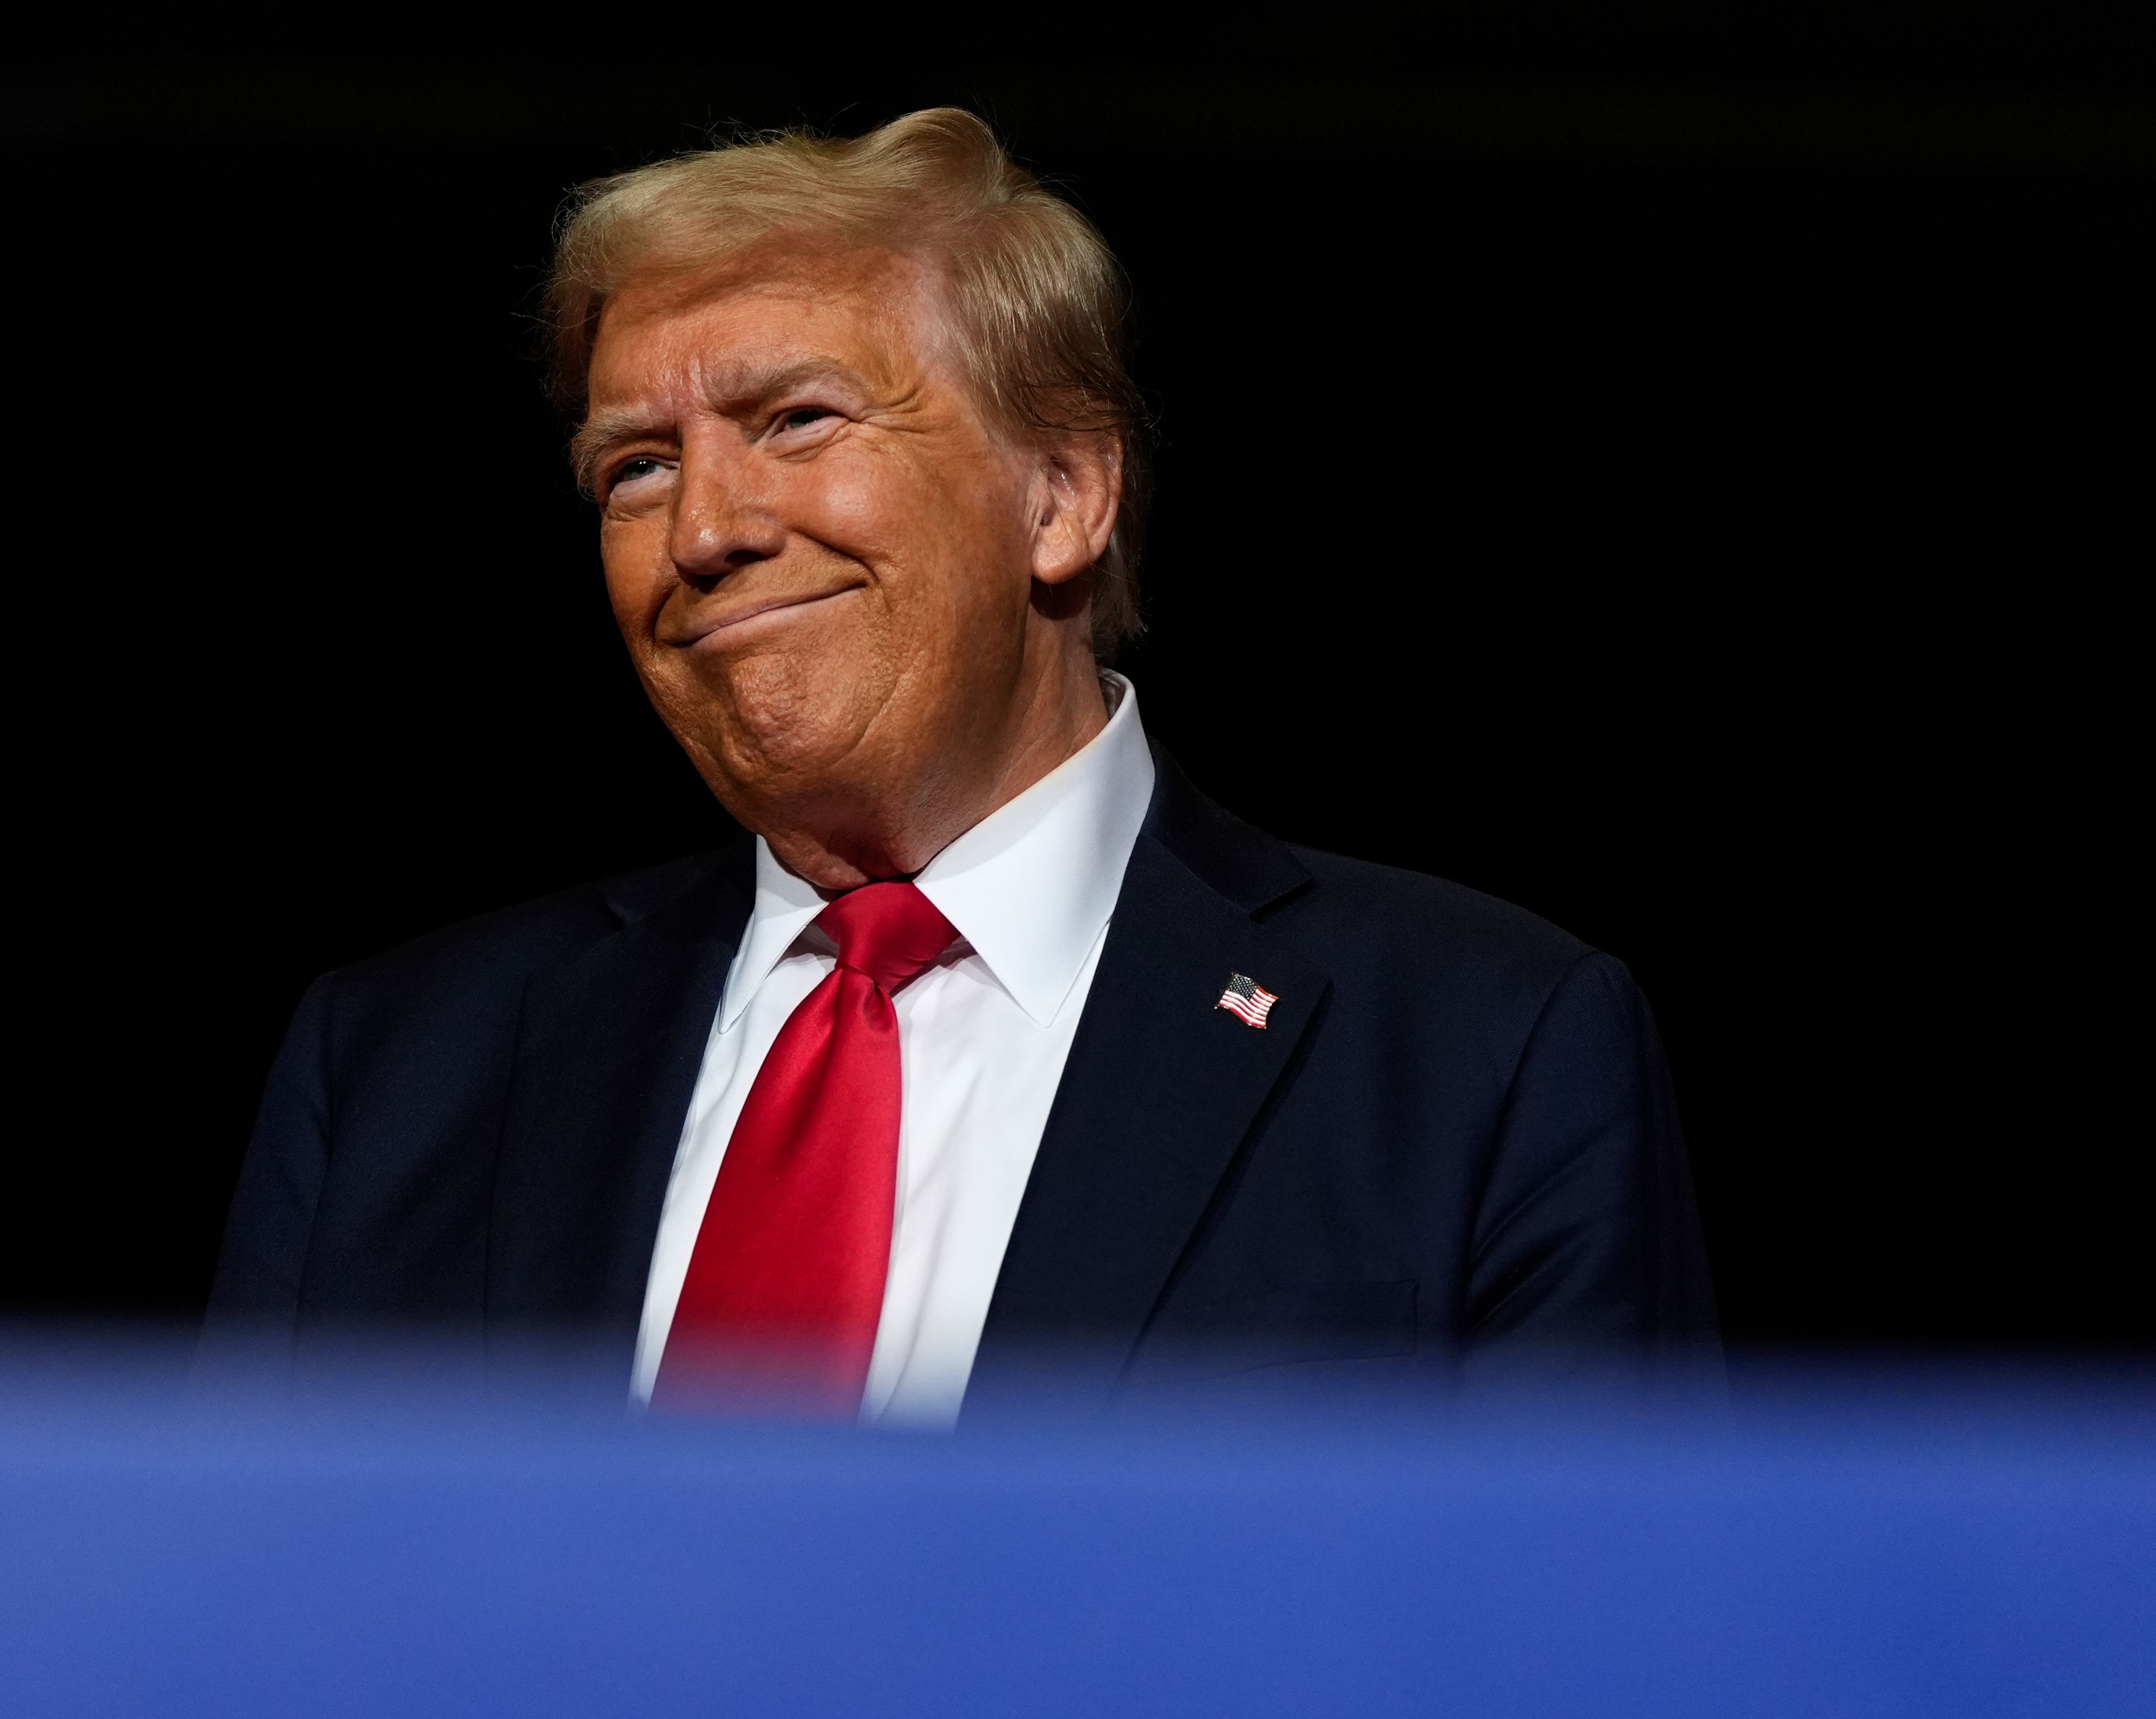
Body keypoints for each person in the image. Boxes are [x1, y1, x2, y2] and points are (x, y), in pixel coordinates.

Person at [207, 109, 1714, 1424]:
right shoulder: (397, 1071)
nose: (706, 529)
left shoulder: (1480, 1051)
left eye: (795, 419)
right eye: (637, 467)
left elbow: (1599, 1638)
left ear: (1061, 494)